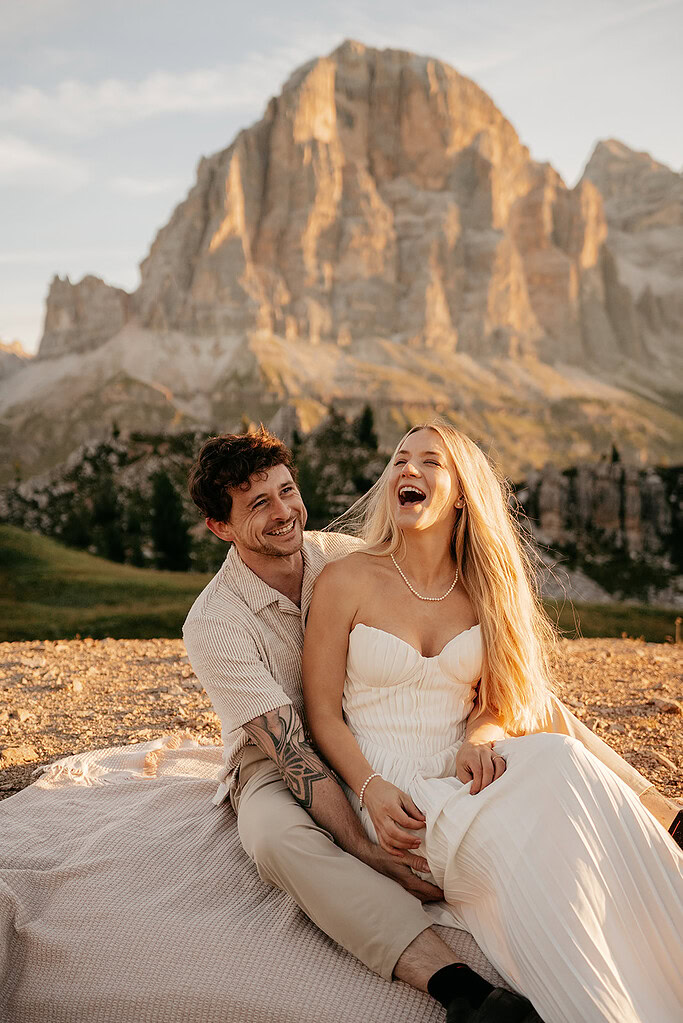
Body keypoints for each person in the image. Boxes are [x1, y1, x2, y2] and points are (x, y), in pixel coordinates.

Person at [183, 426, 680, 1023]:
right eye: (258, 504)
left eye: (287, 490)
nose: (284, 512)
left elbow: (426, 599)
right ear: (222, 527)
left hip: (360, 720)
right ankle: (455, 985)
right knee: (275, 839)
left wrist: (478, 727)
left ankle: (664, 815)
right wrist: (368, 845)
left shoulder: (336, 555)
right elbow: (298, 746)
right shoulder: (214, 623)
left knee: (528, 695)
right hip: (276, 750)